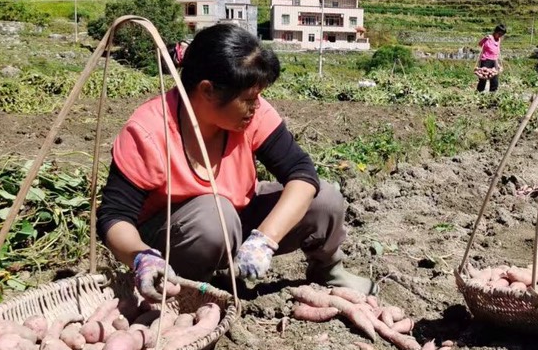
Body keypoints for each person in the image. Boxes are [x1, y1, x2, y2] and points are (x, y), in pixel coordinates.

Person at [97, 22, 375, 300]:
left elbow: (301, 173)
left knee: (323, 199)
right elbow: (114, 217)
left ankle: (327, 271)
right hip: (173, 241)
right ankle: (189, 292)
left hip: (234, 223)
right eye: (248, 99)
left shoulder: (254, 114)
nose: (257, 106)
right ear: (207, 90)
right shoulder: (149, 131)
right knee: (213, 217)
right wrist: (141, 256)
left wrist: (264, 240)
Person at [475, 24, 507, 93]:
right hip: (486, 60)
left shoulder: (499, 39)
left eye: (502, 35)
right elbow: (480, 44)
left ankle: (492, 95)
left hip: (494, 61)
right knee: (483, 79)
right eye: (499, 34)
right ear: (495, 31)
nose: (500, 36)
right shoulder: (489, 38)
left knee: (495, 80)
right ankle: (479, 93)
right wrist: (484, 39)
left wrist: (497, 62)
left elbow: (496, 50)